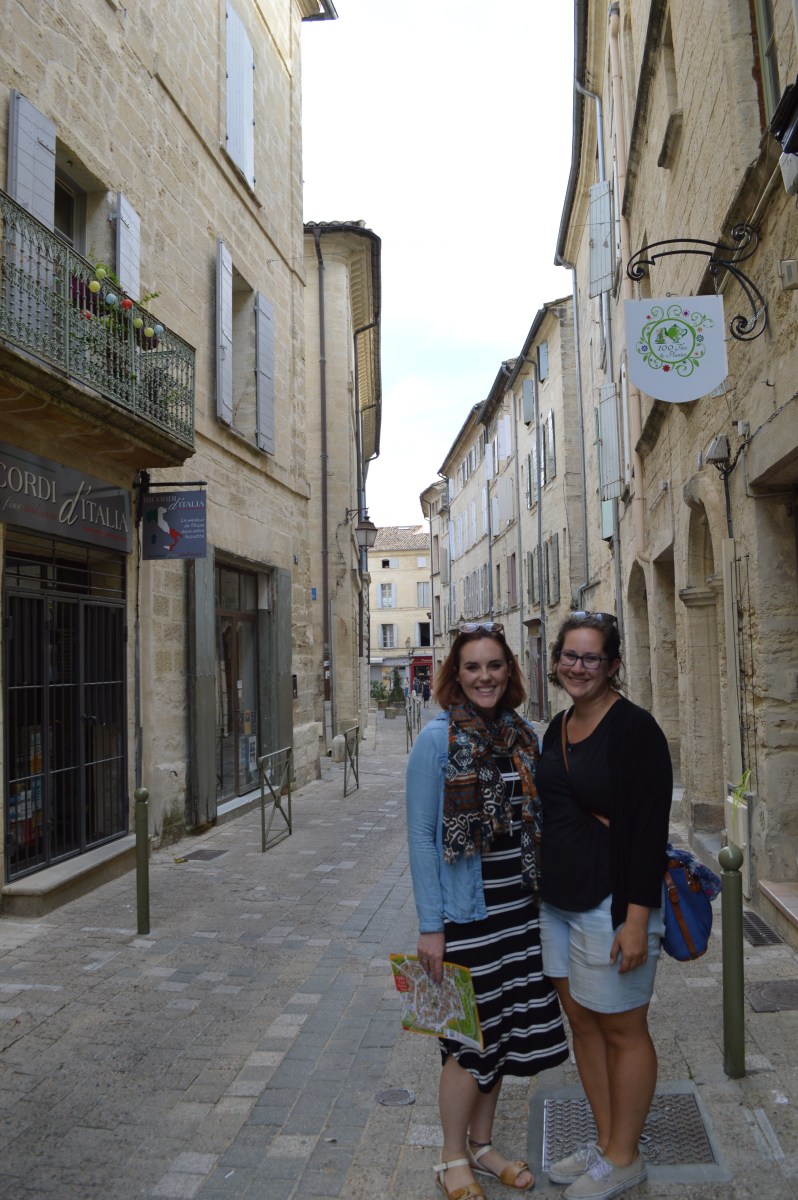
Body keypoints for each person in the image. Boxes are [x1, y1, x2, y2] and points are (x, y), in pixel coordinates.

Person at [406, 622, 569, 1200]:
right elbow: (421, 838)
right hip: (465, 916)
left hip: (518, 912)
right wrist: (432, 927)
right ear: (456, 675)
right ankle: (451, 1157)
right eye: (472, 667)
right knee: (467, 1042)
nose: (484, 677)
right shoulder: (437, 741)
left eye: (494, 665)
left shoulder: (522, 735)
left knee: (497, 1035)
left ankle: (481, 1145)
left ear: (509, 671)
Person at [535, 612, 672, 1200]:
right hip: (558, 903)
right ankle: (606, 1141)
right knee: (584, 1024)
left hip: (611, 904)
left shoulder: (636, 730)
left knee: (623, 1028)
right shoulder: (558, 727)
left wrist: (636, 919)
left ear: (612, 665)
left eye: (591, 657)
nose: (578, 667)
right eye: (570, 655)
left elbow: (649, 831)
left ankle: (625, 1157)